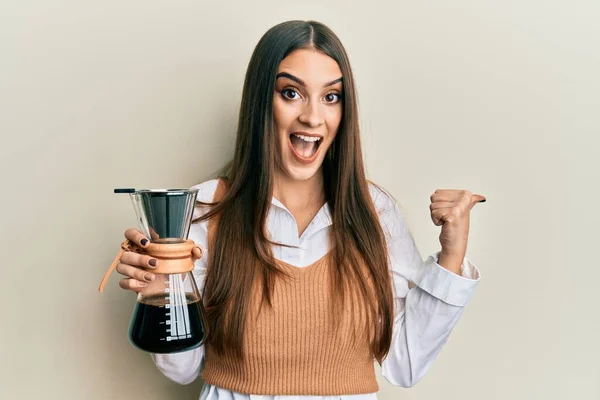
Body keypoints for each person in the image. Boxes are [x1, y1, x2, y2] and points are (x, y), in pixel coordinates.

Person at [115, 20, 485, 399]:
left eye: (331, 97)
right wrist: (163, 291)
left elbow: (404, 363)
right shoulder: (206, 209)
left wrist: (452, 255)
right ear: (262, 102)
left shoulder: (375, 213)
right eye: (291, 93)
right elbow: (183, 370)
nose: (312, 117)